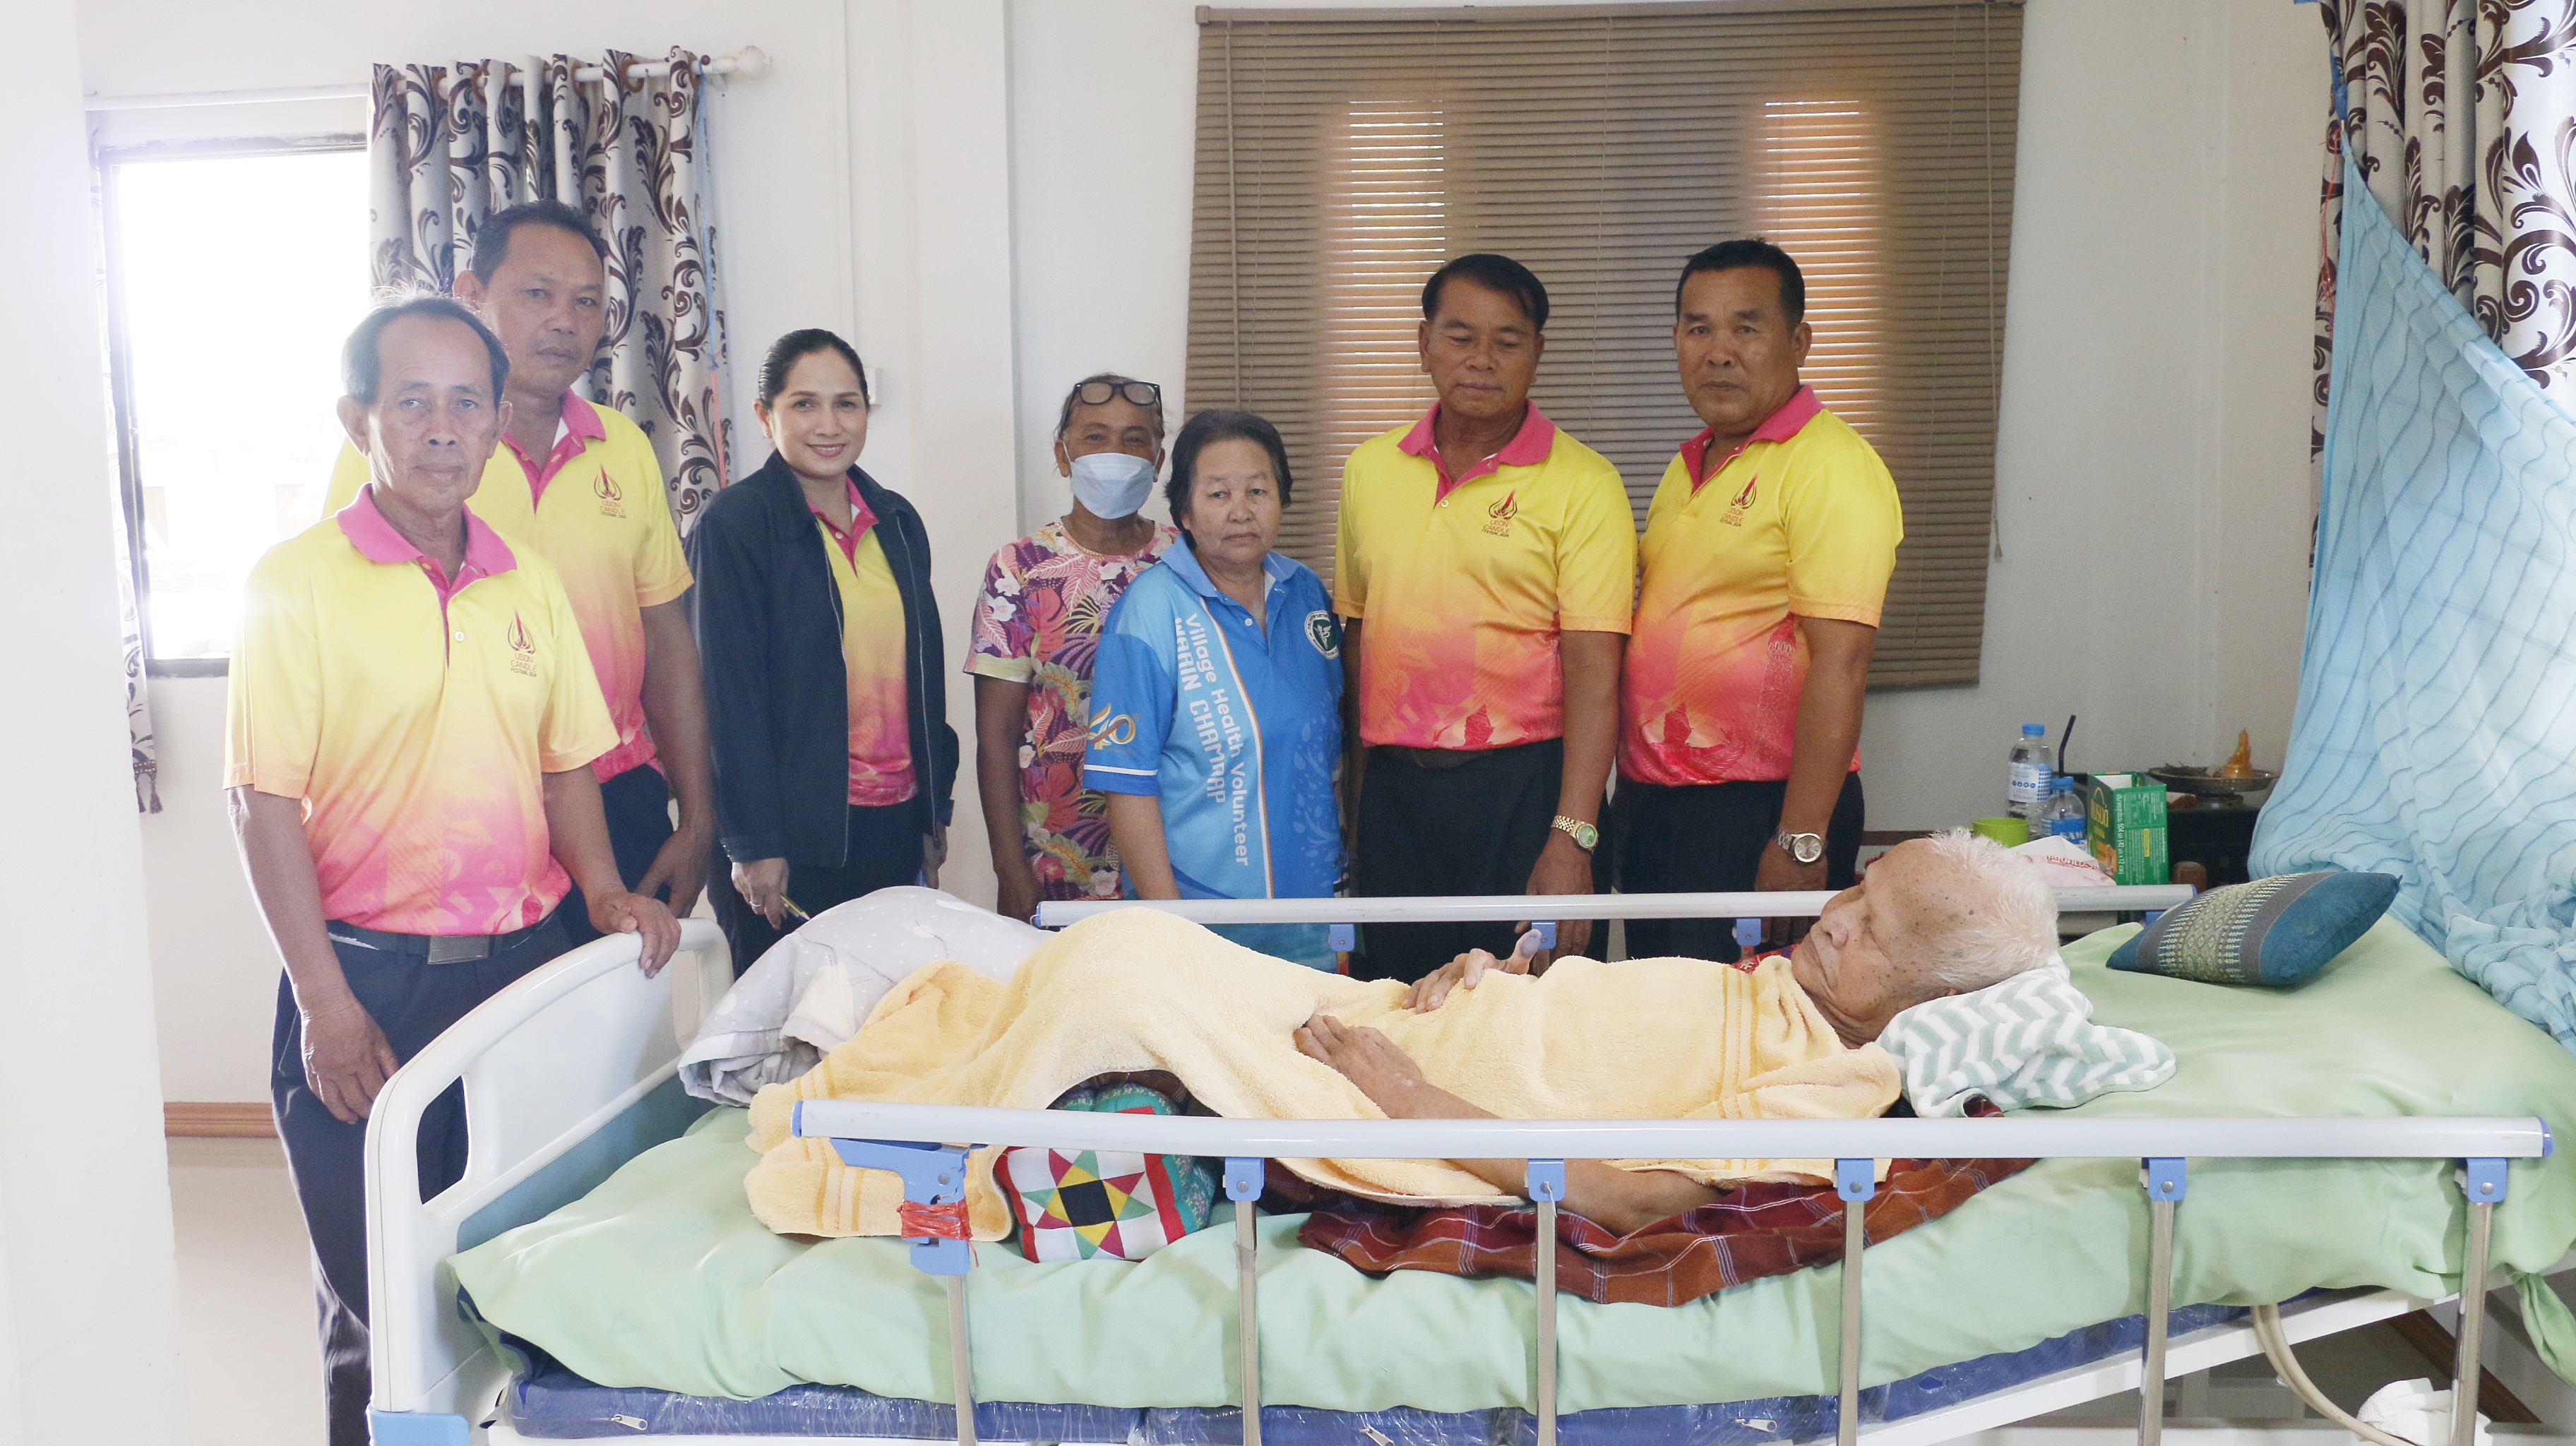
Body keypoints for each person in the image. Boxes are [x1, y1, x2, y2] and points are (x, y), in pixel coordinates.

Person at [229, 297, 682, 1446]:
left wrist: (603, 891)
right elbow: (261, 800)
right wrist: (324, 1000)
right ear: (360, 421)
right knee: (379, 1305)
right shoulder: (296, 581)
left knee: (507, 1274)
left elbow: (567, 765)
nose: (442, 427)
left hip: (516, 971)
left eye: (466, 403)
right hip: (367, 984)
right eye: (413, 401)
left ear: (494, 420)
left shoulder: (524, 581)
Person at [1297, 830, 2054, 1233]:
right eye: (1857, 889)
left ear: (1937, 998)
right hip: (1390, 1027)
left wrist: (1413, 1098)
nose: (1834, 920)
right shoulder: (1777, 984)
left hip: (1372, 1099)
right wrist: (1493, 981)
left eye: (1875, 932)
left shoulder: (1832, 1084)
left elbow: (1636, 1202)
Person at [321, 201, 712, 938]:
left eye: (587, 301)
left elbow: (664, 638)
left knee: (616, 1005)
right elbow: (348, 635)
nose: (564, 320)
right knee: (481, 1012)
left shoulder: (626, 448)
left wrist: (697, 816)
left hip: (616, 794)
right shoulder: (405, 450)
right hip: (460, 810)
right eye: (538, 294)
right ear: (471, 295)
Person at [1333, 253, 1638, 980]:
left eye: (1507, 341)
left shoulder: (1585, 484)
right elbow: (1359, 638)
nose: (1481, 359)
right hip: (1397, 795)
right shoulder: (1369, 469)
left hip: (1525, 794)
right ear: (1424, 342)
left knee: (1522, 1006)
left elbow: (1597, 677)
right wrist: (1356, 805)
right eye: (1460, 336)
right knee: (1397, 1004)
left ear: (1537, 352)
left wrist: (1573, 837)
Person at [1616, 239, 1903, 960]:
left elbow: (1843, 662)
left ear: (1798, 341)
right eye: (1698, 328)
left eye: (1746, 327)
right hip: (1661, 806)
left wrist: (1801, 839)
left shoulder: (1831, 467)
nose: (1718, 352)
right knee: (1661, 1009)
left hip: (1760, 814)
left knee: (1750, 1018)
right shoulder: (1692, 463)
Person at [692, 329, 959, 974]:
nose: (829, 425)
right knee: (795, 1018)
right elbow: (727, 697)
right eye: (804, 404)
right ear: (765, 416)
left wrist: (933, 813)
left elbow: (924, 678)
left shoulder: (896, 520)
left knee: (892, 1010)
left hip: (894, 825)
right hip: (793, 835)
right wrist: (753, 842)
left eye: (847, 404)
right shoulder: (735, 524)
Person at [1084, 410, 1345, 967]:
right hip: (1200, 913)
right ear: (1184, 511)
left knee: (1322, 1026)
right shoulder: (1150, 610)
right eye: (1218, 493)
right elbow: (1127, 785)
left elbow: (1334, 753)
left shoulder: (1306, 594)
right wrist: (1172, 927)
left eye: (1258, 490)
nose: (1241, 511)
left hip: (1312, 909)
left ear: (1283, 499)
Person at [965, 374, 1179, 923]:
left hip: (1172, 857)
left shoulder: (1185, 561)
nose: (1115, 454)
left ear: (1158, 462)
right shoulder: (1020, 568)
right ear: (1063, 455)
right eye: (1095, 437)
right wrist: (1009, 870)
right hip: (1054, 862)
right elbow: (996, 736)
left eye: (1135, 440)